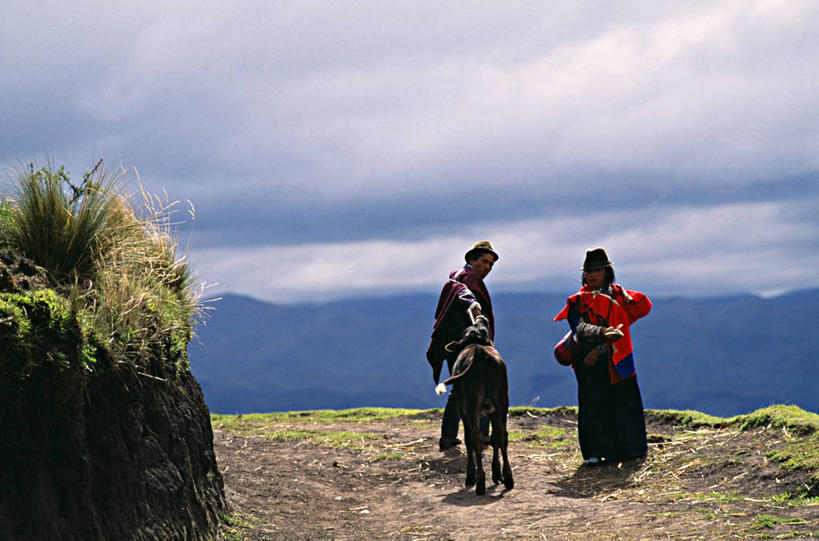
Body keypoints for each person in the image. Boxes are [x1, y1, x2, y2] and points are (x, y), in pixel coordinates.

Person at [554, 247, 652, 465]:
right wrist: (601, 335)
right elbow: (579, 326)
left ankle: (630, 449)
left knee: (623, 402)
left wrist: (622, 296)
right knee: (592, 405)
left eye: (597, 270)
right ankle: (594, 453)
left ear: (607, 272)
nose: (592, 274)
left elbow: (642, 307)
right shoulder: (577, 301)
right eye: (589, 270)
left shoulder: (618, 297)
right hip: (587, 360)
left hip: (616, 358)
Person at [426, 241, 497, 452]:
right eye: (484, 261)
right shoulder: (468, 279)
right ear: (471, 260)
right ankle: (483, 436)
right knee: (483, 388)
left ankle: (448, 437)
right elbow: (469, 300)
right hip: (467, 344)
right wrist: (478, 318)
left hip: (451, 345)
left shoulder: (454, 278)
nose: (487, 267)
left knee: (458, 389)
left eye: (491, 264)